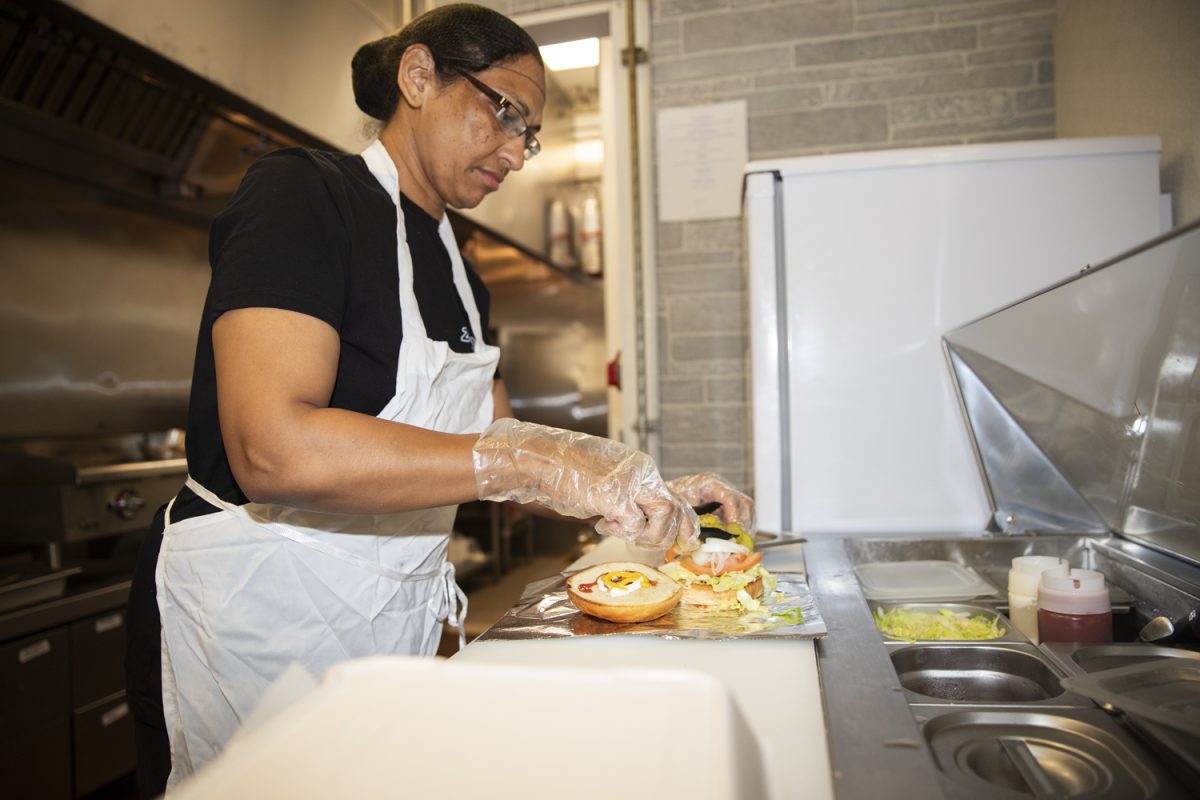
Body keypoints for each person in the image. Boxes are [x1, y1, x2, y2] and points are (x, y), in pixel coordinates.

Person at [125, 4, 754, 795]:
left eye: (529, 135)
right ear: (419, 76)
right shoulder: (305, 199)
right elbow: (272, 450)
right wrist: (530, 455)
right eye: (506, 114)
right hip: (258, 615)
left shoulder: (466, 274)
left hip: (388, 617)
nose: (517, 153)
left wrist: (628, 484)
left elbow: (496, 458)